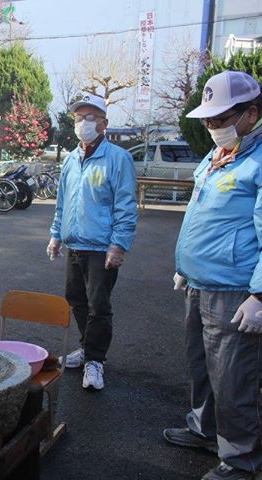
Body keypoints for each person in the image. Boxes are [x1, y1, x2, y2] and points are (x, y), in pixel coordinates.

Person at [162, 70, 262, 480]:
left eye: (221, 119)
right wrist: (186, 267)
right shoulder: (220, 153)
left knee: (233, 378)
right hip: (200, 283)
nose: (212, 126)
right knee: (201, 365)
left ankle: (241, 460)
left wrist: (260, 295)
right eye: (208, 120)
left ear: (251, 113)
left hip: (234, 290)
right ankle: (205, 429)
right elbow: (203, 214)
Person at [46, 93, 137, 391]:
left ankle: (96, 360)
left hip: (102, 249)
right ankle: (87, 348)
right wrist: (56, 235)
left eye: (90, 118)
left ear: (103, 123)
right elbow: (62, 203)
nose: (83, 123)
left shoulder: (117, 159)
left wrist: (119, 244)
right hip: (75, 245)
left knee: (99, 305)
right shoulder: (72, 159)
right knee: (76, 300)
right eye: (78, 118)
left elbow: (125, 206)